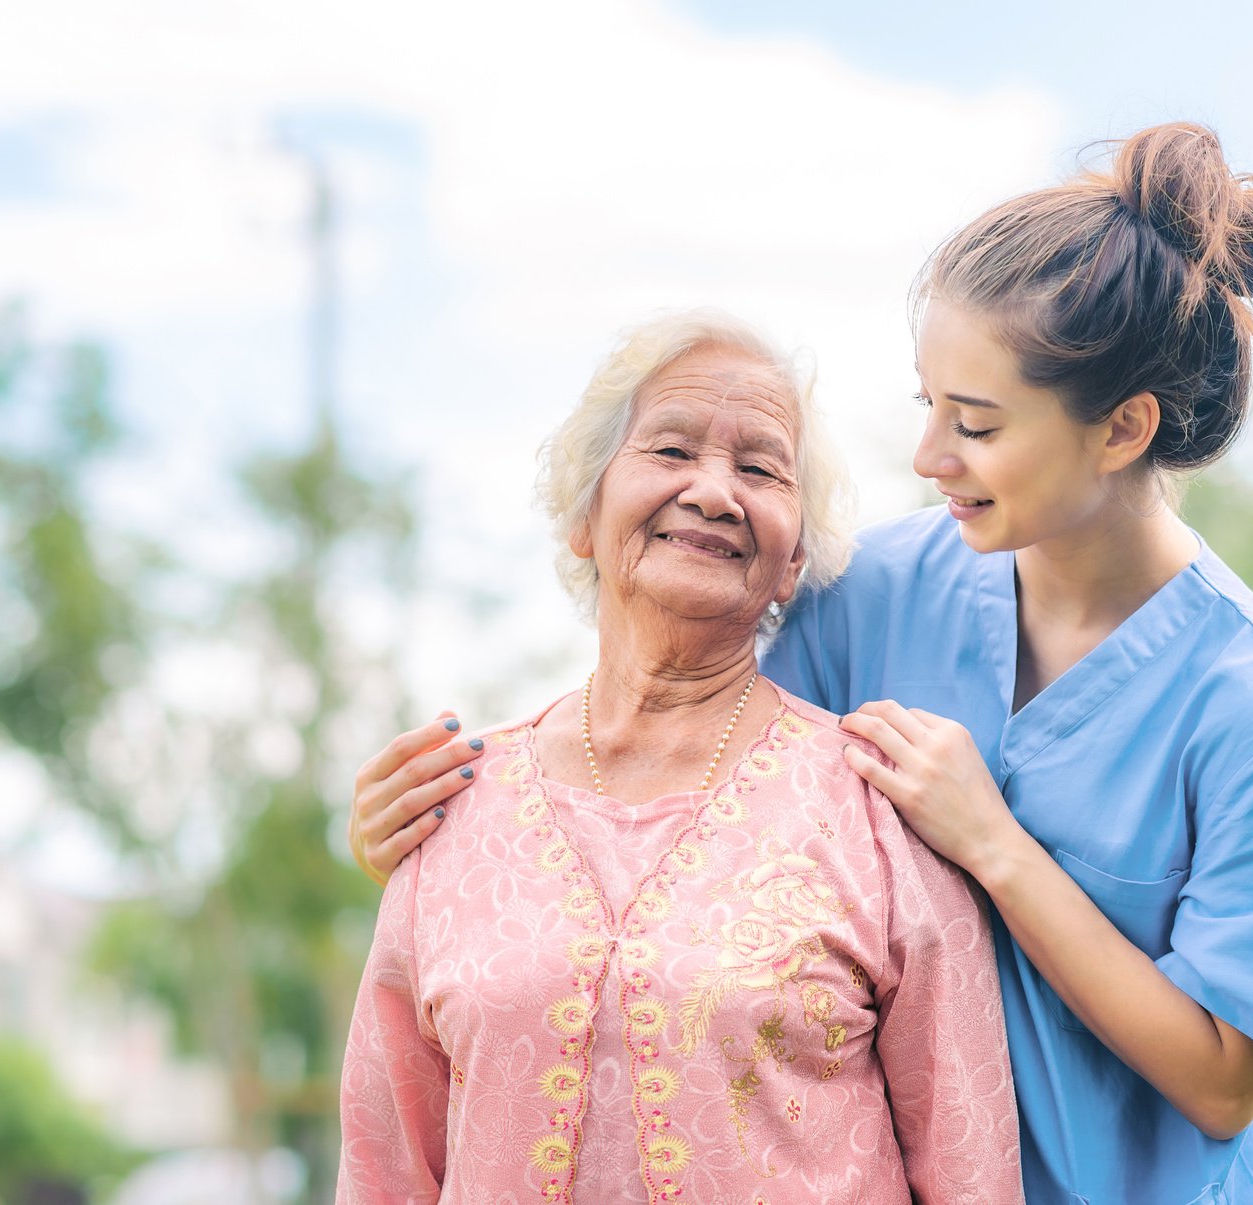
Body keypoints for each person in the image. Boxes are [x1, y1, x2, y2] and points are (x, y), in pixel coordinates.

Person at [351, 123, 1253, 1203]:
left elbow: (1222, 1083)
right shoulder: (867, 595)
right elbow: (694, 790)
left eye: (976, 425)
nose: (928, 457)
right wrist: (445, 856)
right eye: (930, 406)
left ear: (1121, 430)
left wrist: (995, 846)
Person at [336, 312, 1024, 1204]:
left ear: (793, 560)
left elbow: (970, 1172)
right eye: (669, 450)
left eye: (759, 469)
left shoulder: (878, 810)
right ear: (584, 515)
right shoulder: (452, 809)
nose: (712, 492)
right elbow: (384, 1167)